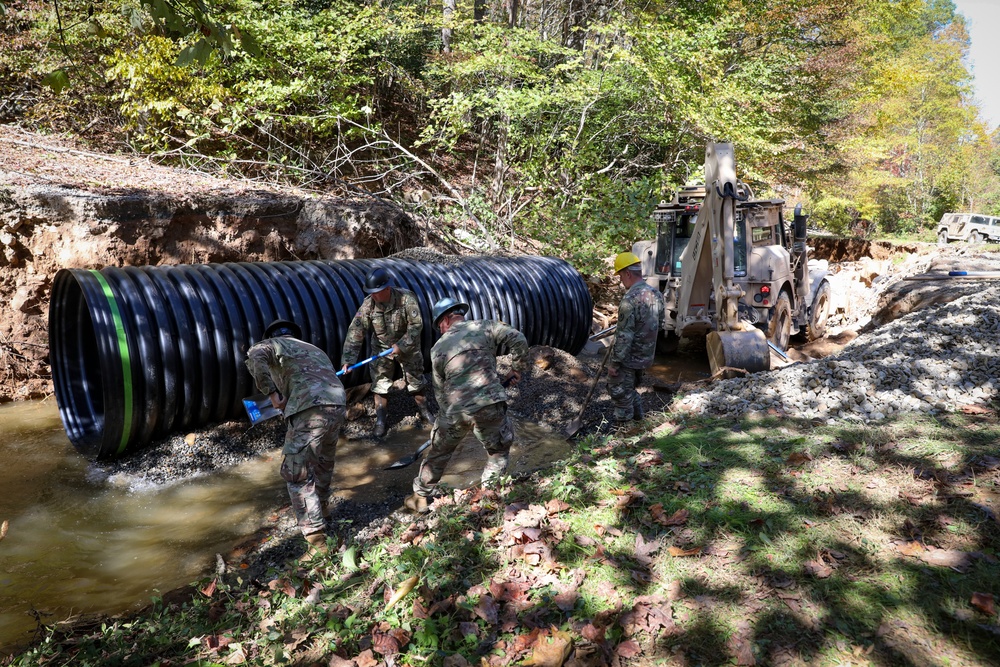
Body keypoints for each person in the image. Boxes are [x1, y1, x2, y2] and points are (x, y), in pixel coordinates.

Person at [404, 297, 530, 514]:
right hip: (490, 403)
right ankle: (489, 500)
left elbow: (440, 389)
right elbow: (518, 338)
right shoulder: (486, 326)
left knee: (438, 452)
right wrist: (517, 368)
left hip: (455, 409)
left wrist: (446, 423)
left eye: (439, 328)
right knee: (497, 451)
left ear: (444, 321)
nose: (441, 332)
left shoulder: (438, 348)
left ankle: (420, 498)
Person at [245, 319, 346, 561]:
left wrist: (271, 393)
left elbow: (255, 357)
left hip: (309, 407)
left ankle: (317, 541)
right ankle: (323, 511)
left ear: (271, 336)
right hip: (337, 403)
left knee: (296, 473)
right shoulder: (313, 349)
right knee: (322, 462)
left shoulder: (269, 345)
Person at [341, 267, 434, 438]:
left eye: (377, 292)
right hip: (381, 349)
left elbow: (416, 325)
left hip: (408, 346)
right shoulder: (368, 304)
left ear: (387, 289)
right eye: (371, 292)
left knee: (416, 380)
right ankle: (381, 420)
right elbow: (355, 331)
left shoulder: (406, 298)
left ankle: (424, 411)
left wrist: (402, 344)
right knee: (379, 383)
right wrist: (348, 360)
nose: (374, 296)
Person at [607, 252, 664, 424]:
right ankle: (640, 425)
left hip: (628, 359)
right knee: (630, 391)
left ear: (628, 274)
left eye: (621, 276)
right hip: (645, 357)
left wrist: (614, 363)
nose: (621, 281)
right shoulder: (657, 295)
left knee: (620, 395)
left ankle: (625, 436)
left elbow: (624, 336)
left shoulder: (630, 299)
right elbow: (660, 325)